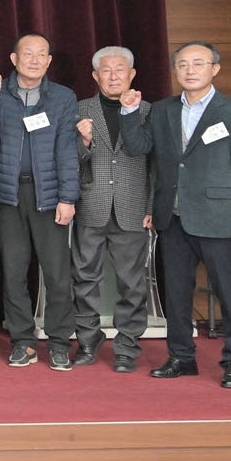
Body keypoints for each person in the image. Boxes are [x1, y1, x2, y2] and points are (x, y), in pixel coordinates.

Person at [128, 42, 231, 389]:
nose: (190, 70)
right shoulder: (162, 110)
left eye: (198, 63)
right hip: (173, 217)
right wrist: (129, 113)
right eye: (183, 64)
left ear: (214, 69)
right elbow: (143, 152)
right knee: (176, 294)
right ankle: (181, 357)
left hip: (220, 217)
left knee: (230, 293)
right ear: (175, 70)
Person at [0, 33, 83, 369]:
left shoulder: (63, 97)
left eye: (41, 55)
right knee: (14, 272)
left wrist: (68, 197)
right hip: (9, 196)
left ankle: (60, 342)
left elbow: (67, 150)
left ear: (49, 61)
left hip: (49, 196)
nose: (34, 60)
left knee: (57, 275)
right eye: (28, 54)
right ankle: (22, 342)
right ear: (14, 59)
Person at [73, 45, 153, 373]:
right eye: (106, 70)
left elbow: (157, 166)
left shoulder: (148, 111)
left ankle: (127, 347)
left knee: (132, 283)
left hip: (133, 207)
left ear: (132, 74)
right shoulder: (80, 109)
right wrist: (84, 143)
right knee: (84, 278)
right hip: (90, 205)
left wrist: (151, 206)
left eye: (120, 70)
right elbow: (67, 160)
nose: (114, 76)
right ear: (95, 76)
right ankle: (87, 341)